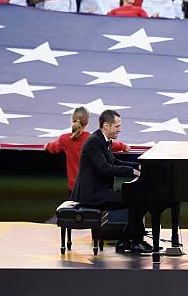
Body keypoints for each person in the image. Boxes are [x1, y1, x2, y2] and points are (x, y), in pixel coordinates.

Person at [70, 110, 150, 254]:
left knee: (139, 199)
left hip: (100, 191)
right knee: (137, 200)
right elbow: (104, 168)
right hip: (92, 195)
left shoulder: (103, 140)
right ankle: (132, 241)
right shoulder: (94, 141)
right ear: (106, 125)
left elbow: (114, 161)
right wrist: (131, 172)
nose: (120, 129)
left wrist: (137, 166)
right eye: (117, 126)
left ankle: (128, 241)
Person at [45, 107, 130, 194]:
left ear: (72, 120)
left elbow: (52, 148)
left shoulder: (65, 139)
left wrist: (46, 146)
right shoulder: (93, 138)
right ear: (87, 122)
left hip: (74, 187)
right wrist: (123, 147)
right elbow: (110, 144)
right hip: (91, 186)